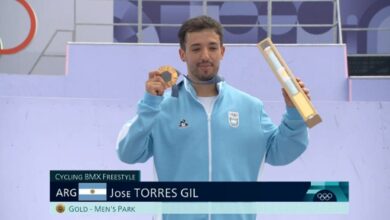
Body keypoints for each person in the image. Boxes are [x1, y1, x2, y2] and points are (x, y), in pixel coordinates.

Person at [117, 15, 309, 220]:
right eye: (196, 48)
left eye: (212, 47)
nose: (205, 56)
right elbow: (128, 153)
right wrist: (149, 105)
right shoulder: (160, 107)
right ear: (182, 54)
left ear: (222, 51)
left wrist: (295, 113)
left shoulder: (250, 106)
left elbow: (281, 153)